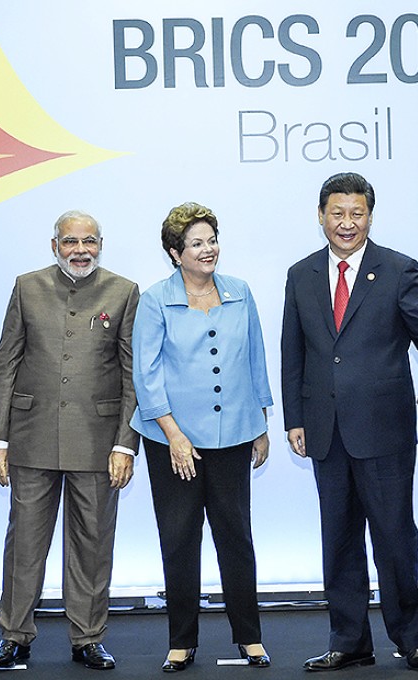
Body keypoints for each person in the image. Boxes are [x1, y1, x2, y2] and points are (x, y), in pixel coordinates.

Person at [281, 172, 418, 673]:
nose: (346, 223)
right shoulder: (301, 274)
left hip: (385, 430)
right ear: (321, 216)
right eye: (337, 213)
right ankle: (349, 641)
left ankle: (410, 639)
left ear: (370, 216)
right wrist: (295, 416)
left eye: (356, 213)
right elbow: (292, 353)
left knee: (395, 537)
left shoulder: (398, 269)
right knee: (337, 539)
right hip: (325, 429)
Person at [0, 210, 140, 671]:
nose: (80, 250)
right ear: (55, 245)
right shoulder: (26, 287)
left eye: (89, 241)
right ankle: (14, 635)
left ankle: (88, 637)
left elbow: (133, 374)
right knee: (25, 544)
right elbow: (5, 365)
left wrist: (125, 443)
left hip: (98, 442)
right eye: (70, 241)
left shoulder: (124, 291)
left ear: (101, 244)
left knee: (93, 543)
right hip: (30, 440)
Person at [130, 201, 273, 672]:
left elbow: (255, 357)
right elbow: (145, 373)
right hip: (173, 441)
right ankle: (181, 641)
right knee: (179, 538)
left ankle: (249, 637)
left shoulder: (240, 291)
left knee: (237, 536)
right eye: (196, 243)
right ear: (175, 253)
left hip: (234, 434)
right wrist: (172, 434)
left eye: (211, 240)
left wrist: (261, 425)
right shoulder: (154, 300)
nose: (208, 249)